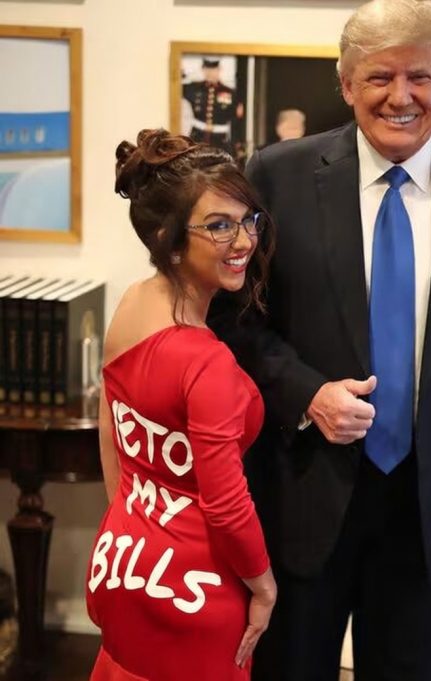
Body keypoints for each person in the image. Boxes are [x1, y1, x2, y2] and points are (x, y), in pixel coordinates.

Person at [209, 0, 431, 679]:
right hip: (303, 489)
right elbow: (236, 321)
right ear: (346, 84)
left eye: (419, 77)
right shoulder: (276, 176)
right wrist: (309, 394)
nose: (401, 96)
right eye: (380, 77)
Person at [86, 129, 276, 681]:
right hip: (197, 589)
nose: (244, 241)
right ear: (169, 241)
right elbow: (226, 504)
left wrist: (132, 524)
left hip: (122, 564)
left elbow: (110, 428)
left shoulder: (131, 302)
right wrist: (264, 586)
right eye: (219, 225)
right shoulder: (206, 362)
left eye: (248, 219)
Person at [182, 58, 245, 154]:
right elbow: (175, 84)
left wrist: (237, 142)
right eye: (207, 69)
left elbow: (236, 120)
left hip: (220, 140)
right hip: (197, 138)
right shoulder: (193, 88)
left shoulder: (230, 93)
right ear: (202, 69)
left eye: (213, 69)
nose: (210, 73)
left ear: (219, 69)